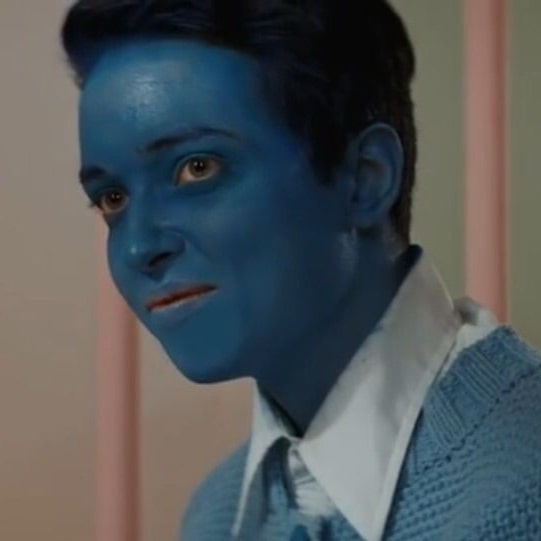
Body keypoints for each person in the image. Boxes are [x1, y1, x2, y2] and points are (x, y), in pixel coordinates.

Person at [60, 1, 541, 539]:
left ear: (365, 177)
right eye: (112, 198)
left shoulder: (523, 482)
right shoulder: (215, 516)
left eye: (197, 168)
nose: (137, 247)